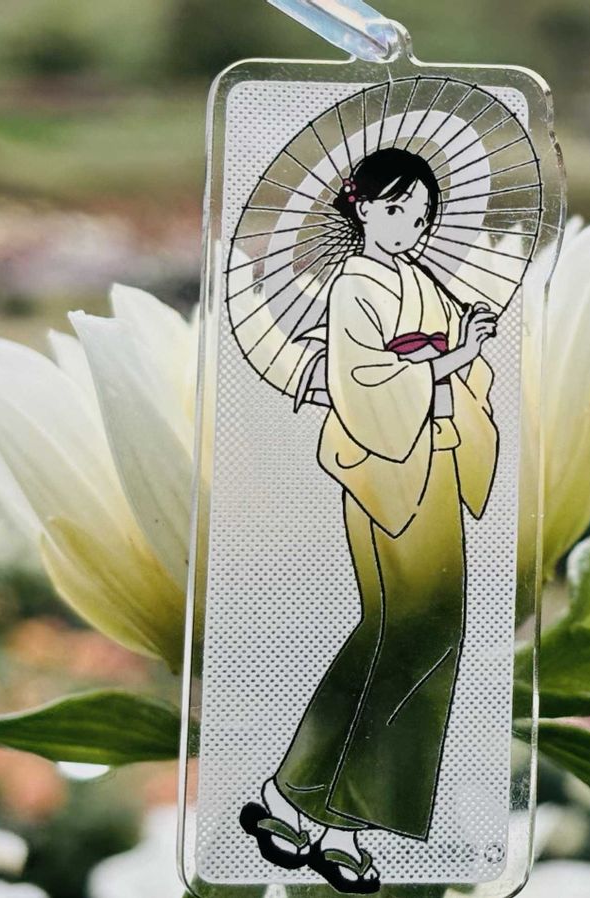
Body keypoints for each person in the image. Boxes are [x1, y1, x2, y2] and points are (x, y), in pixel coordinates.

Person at [240, 147, 500, 895]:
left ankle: (296, 797)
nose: (411, 225)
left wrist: (469, 345)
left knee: (399, 627)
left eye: (421, 214)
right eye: (395, 210)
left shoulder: (420, 281)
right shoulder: (354, 286)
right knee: (420, 629)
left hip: (435, 455)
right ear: (360, 209)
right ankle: (346, 821)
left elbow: (449, 371)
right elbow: (364, 383)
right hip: (390, 469)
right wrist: (452, 358)